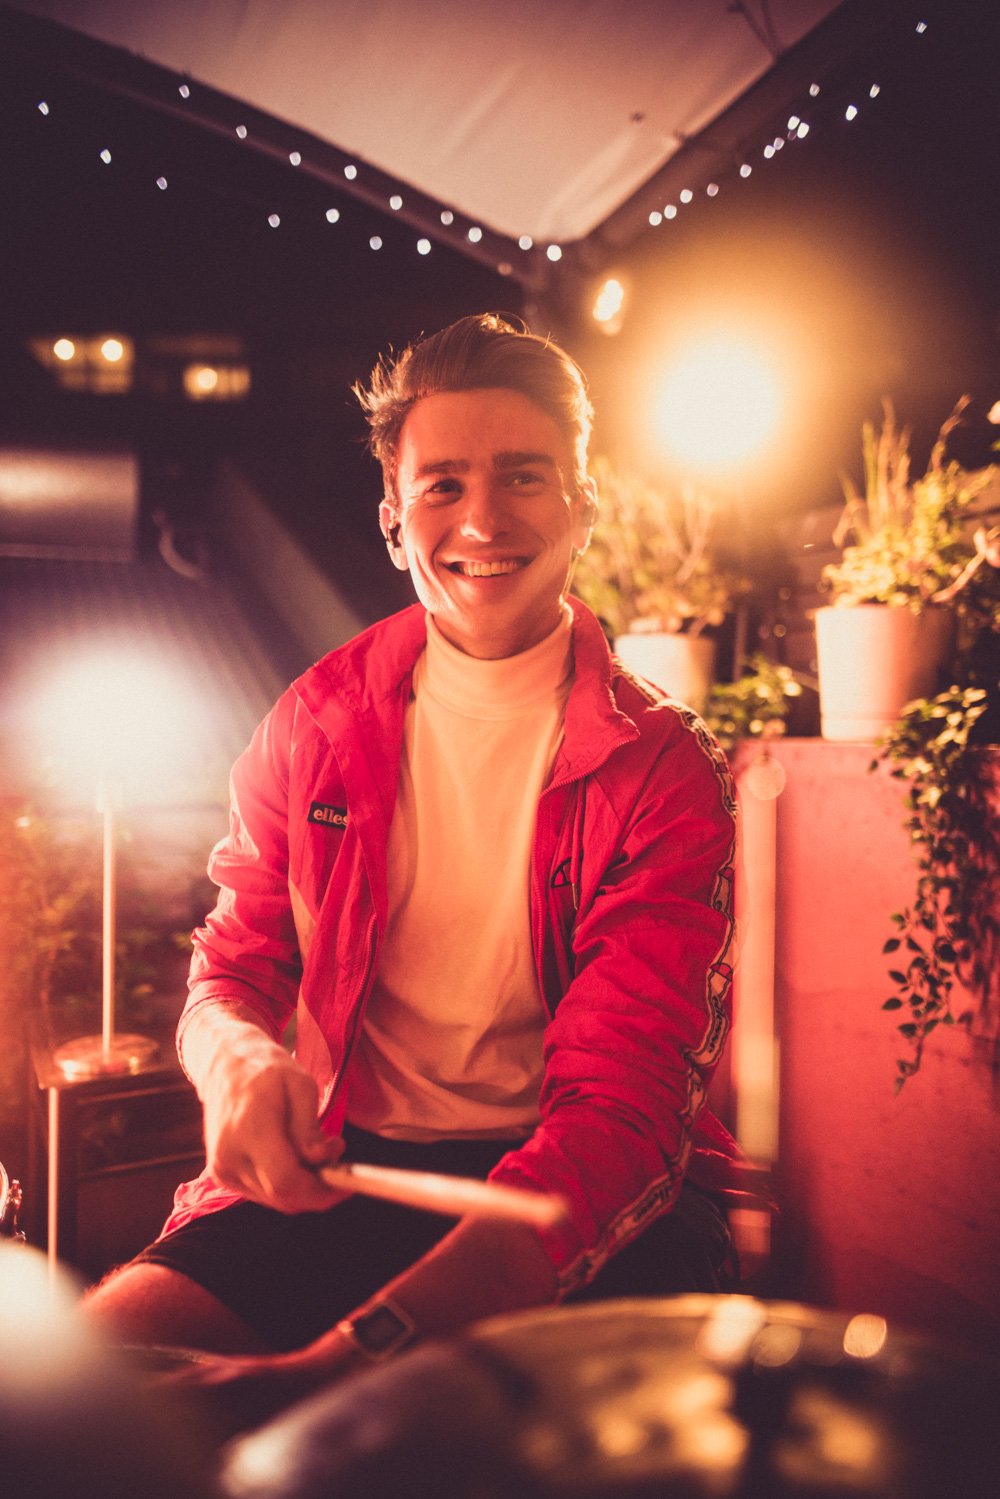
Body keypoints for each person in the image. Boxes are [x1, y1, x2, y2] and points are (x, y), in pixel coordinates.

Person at [85, 312, 745, 1430]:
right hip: (342, 1170)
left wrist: (348, 1358)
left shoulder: (663, 767)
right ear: (394, 522)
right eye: (443, 485)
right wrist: (238, 1064)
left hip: (569, 1194)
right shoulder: (314, 720)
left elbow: (620, 1115)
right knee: (81, 1394)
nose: (482, 519)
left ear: (582, 507)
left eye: (522, 476)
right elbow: (230, 970)